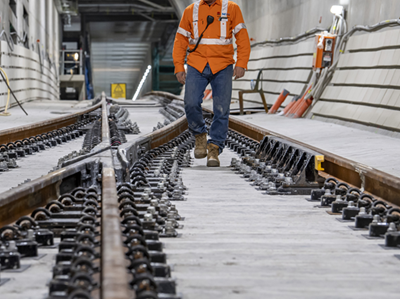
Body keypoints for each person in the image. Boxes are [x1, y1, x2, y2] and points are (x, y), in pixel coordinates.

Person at [173, 0, 250, 167]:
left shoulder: (231, 9)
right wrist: (179, 66)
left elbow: (242, 38)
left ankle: (215, 147)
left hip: (223, 65)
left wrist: (241, 63)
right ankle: (200, 135)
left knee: (221, 108)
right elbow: (180, 41)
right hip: (196, 64)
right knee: (191, 102)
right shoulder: (190, 11)